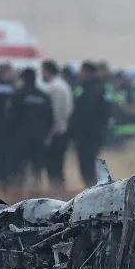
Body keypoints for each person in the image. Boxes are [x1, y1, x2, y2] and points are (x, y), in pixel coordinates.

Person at [6, 68, 54, 188]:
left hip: (20, 140)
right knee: (36, 170)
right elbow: (50, 119)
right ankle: (36, 193)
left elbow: (10, 118)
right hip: (38, 140)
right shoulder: (43, 96)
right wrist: (44, 135)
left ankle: (18, 194)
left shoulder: (18, 95)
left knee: (17, 170)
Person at [69, 61, 111, 186]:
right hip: (91, 136)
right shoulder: (91, 89)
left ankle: (93, 192)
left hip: (88, 137)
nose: (79, 75)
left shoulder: (92, 91)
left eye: (81, 72)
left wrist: (78, 132)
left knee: (88, 169)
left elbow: (87, 116)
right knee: (88, 168)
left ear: (87, 73)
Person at [41, 60, 74, 189]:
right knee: (58, 168)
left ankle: (57, 194)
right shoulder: (63, 85)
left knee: (53, 168)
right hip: (63, 131)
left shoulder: (54, 87)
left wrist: (48, 136)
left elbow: (55, 113)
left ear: (47, 71)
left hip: (56, 133)